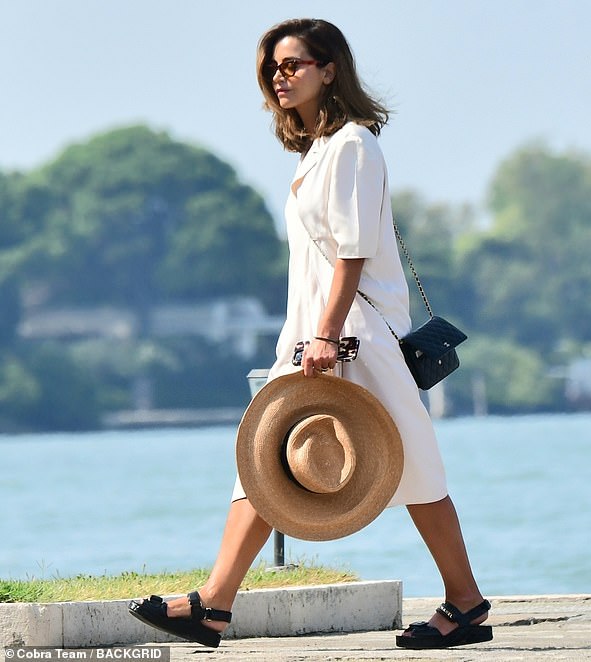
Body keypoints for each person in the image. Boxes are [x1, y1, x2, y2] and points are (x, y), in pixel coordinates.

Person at [129, 18, 491, 650]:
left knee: (414, 471)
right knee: (266, 459)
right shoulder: (319, 150)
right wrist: (308, 335)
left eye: (293, 63)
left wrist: (323, 336)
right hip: (316, 332)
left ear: (330, 70)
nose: (280, 74)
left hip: (352, 335)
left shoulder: (352, 144)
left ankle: (465, 603)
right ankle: (214, 604)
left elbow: (351, 254)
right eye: (273, 66)